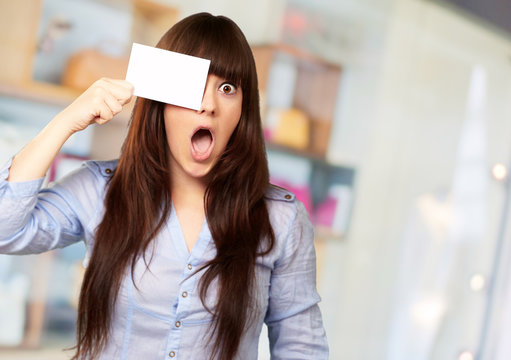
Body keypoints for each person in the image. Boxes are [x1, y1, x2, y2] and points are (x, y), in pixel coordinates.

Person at [0, 12, 328, 360]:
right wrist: (66, 121)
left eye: (227, 88)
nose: (208, 105)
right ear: (161, 102)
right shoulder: (99, 190)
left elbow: (301, 348)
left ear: (244, 109)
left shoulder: (282, 219)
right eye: (194, 86)